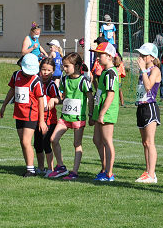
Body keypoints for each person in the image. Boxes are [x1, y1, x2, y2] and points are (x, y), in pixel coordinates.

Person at [0, 53, 46, 177]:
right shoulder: (16, 75)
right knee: (23, 142)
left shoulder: (36, 80)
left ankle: (31, 170)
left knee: (26, 141)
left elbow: (41, 100)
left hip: (31, 115)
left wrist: (41, 120)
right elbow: (12, 90)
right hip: (19, 114)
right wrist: (4, 105)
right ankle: (29, 166)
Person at [48, 52, 91, 181]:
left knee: (77, 144)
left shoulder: (83, 80)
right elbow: (63, 97)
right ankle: (61, 166)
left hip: (78, 119)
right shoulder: (65, 79)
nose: (64, 69)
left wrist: (91, 114)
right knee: (53, 139)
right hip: (65, 117)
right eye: (63, 66)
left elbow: (90, 98)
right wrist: (54, 100)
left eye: (67, 66)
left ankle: (74, 172)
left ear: (76, 66)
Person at [90, 42, 119, 182]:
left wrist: (102, 113)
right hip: (99, 110)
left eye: (100, 54)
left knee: (107, 141)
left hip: (106, 112)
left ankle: (109, 173)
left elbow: (111, 95)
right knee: (97, 139)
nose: (97, 57)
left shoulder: (111, 73)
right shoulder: (104, 72)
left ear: (109, 56)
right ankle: (104, 168)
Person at [132, 43, 162, 183]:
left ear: (152, 57)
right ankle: (148, 171)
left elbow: (149, 86)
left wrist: (143, 70)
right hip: (141, 107)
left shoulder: (155, 70)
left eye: (144, 55)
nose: (141, 57)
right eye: (140, 54)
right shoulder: (144, 70)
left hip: (150, 107)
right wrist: (143, 70)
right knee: (144, 142)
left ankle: (152, 174)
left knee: (150, 142)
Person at [34, 57, 60, 175]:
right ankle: (41, 167)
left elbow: (59, 99)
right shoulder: (36, 82)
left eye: (48, 70)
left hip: (49, 120)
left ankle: (50, 168)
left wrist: (54, 100)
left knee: (46, 143)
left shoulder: (51, 85)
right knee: (37, 144)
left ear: (53, 71)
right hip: (36, 118)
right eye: (43, 69)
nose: (45, 72)